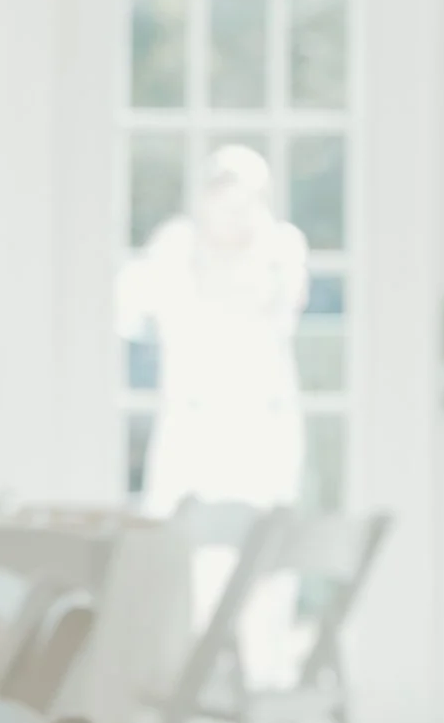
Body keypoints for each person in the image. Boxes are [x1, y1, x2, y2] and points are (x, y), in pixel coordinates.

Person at [118, 145, 310, 512]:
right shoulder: (175, 247)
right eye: (224, 200)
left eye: (246, 201)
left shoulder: (280, 249)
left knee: (260, 526)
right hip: (190, 418)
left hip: (260, 419)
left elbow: (286, 308)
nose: (234, 213)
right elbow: (129, 311)